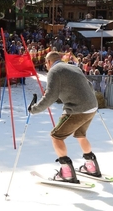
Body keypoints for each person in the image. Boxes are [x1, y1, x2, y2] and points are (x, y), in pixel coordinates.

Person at [28, 51, 102, 183]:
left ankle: (67, 173)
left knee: (56, 136)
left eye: (46, 62)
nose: (46, 65)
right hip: (92, 106)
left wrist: (35, 109)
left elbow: (50, 95)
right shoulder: (73, 67)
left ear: (49, 61)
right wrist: (91, 102)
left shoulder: (54, 71)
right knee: (80, 134)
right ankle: (91, 167)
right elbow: (89, 85)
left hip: (77, 109)